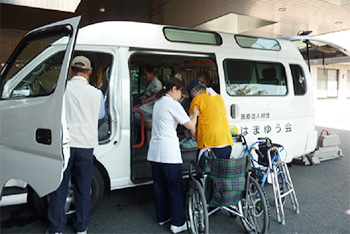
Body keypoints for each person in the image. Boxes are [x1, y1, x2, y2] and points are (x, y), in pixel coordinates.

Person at [47, 56, 105, 234]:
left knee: (59, 187)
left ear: (71, 71)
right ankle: (81, 227)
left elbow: (52, 113)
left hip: (64, 144)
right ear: (88, 73)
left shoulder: (60, 89)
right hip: (86, 146)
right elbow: (100, 116)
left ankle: (56, 228)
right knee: (83, 186)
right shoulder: (97, 93)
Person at [147, 78, 199, 234]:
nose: (181, 95)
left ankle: (162, 217)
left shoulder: (158, 103)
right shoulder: (173, 104)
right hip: (169, 153)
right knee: (174, 188)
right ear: (174, 89)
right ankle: (177, 223)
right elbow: (189, 125)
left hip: (155, 153)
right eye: (180, 91)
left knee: (160, 187)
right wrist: (195, 114)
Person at [188, 79, 233, 169]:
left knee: (203, 172)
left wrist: (196, 138)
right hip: (226, 141)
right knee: (221, 174)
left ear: (194, 91)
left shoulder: (197, 99)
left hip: (209, 143)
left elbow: (191, 124)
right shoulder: (218, 97)